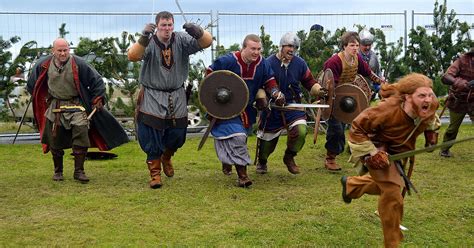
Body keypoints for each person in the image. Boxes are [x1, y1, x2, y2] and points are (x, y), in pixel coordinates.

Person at [340, 73, 440, 248]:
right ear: (408, 97)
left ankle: (351, 185)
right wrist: (372, 153)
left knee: (387, 186)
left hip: (401, 153)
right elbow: (357, 127)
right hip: (378, 151)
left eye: (430, 95)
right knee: (393, 195)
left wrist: (431, 135)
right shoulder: (386, 110)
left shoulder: (430, 105)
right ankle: (392, 244)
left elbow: (431, 118)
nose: (428, 100)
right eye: (422, 96)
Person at [127, 11, 212, 189]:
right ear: (157, 26)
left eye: (170, 25)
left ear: (173, 25)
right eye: (163, 25)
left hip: (177, 93)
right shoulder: (148, 41)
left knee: (178, 133)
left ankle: (166, 157)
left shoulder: (181, 39)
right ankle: (155, 174)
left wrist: (198, 32)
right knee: (151, 133)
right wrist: (143, 36)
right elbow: (133, 56)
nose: (167, 29)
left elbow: (207, 42)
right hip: (152, 93)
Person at [27, 38, 129, 183]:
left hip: (77, 105)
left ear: (69, 49)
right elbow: (33, 85)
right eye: (60, 51)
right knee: (54, 139)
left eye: (65, 50)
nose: (63, 53)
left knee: (81, 134)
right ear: (53, 51)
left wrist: (98, 98)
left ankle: (79, 172)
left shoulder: (79, 63)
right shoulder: (43, 65)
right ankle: (58, 172)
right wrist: (42, 97)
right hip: (55, 106)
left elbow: (97, 81)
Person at [206, 34, 285, 187]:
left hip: (247, 109)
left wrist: (276, 93)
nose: (256, 52)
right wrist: (216, 100)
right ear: (243, 48)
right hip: (225, 108)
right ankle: (243, 176)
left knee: (242, 136)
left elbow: (270, 81)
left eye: (259, 49)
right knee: (238, 137)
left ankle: (228, 160)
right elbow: (210, 75)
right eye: (252, 49)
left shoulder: (262, 64)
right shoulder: (228, 60)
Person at [255, 32, 322, 175]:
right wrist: (263, 99)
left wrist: (320, 90)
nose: (292, 50)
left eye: (295, 47)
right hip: (272, 107)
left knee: (301, 131)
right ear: (282, 46)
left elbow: (310, 82)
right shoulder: (268, 63)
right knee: (267, 144)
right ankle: (262, 161)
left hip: (293, 105)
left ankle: (289, 157)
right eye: (289, 46)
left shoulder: (300, 63)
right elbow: (260, 85)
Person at [322, 31, 385, 171]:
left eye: (357, 45)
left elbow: (368, 73)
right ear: (344, 46)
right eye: (352, 45)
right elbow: (328, 84)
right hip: (331, 98)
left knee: (350, 127)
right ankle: (330, 158)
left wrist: (382, 82)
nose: (355, 48)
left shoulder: (357, 59)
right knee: (336, 130)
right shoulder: (335, 61)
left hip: (346, 99)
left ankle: (359, 153)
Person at [439, 47, 474, 157]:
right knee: (452, 129)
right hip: (458, 100)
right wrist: (460, 83)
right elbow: (445, 77)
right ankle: (444, 150)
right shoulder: (461, 60)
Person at [358, 29, 383, 100]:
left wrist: (381, 84)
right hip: (357, 89)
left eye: (369, 45)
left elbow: (378, 74)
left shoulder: (374, 56)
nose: (367, 47)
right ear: (359, 44)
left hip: (371, 89)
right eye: (365, 45)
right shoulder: (355, 55)